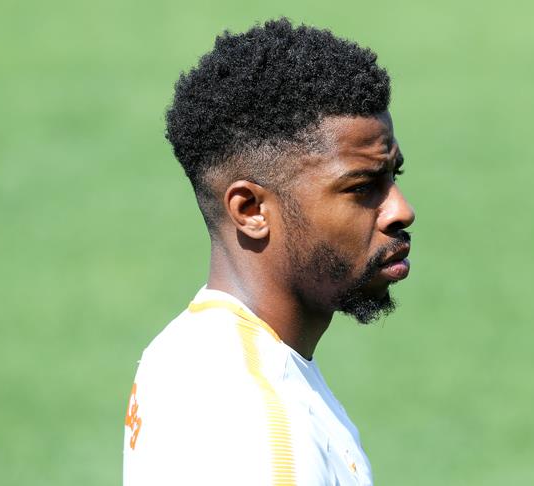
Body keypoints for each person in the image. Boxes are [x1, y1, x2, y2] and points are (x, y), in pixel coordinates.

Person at [123, 18, 415, 486]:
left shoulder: (183, 351)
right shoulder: (267, 433)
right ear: (251, 210)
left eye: (393, 177)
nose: (401, 211)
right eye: (362, 187)